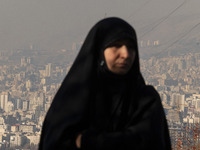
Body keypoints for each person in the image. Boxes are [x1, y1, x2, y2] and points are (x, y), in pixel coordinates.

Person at [39, 17, 171, 150]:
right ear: (99, 51)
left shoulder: (145, 99)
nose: (125, 54)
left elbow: (147, 142)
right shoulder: (74, 100)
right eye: (116, 45)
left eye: (131, 47)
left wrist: (87, 141)